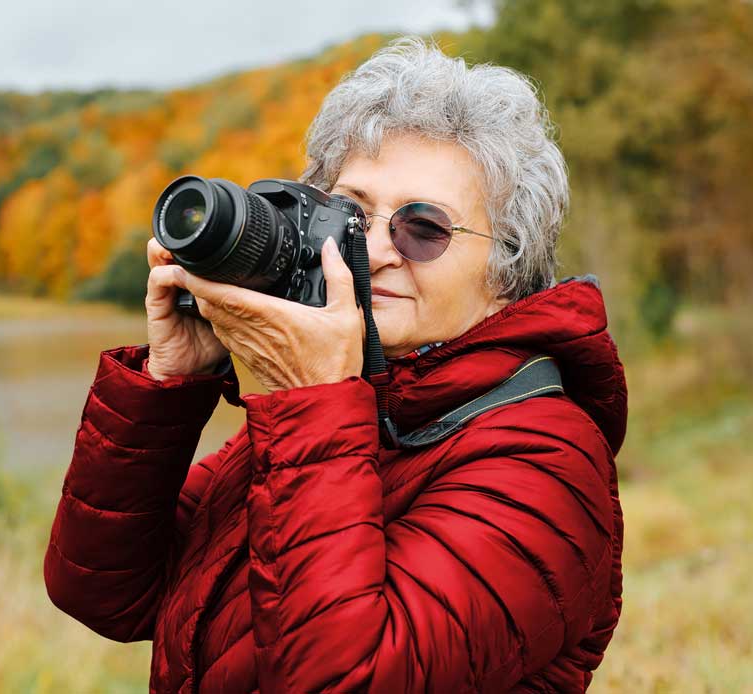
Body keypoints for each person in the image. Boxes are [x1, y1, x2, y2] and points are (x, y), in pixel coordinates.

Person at [44, 35, 626, 693]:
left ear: (506, 266)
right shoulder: (354, 409)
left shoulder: (546, 463)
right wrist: (170, 385)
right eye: (351, 216)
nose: (375, 251)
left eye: (423, 228)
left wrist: (313, 395)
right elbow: (103, 593)